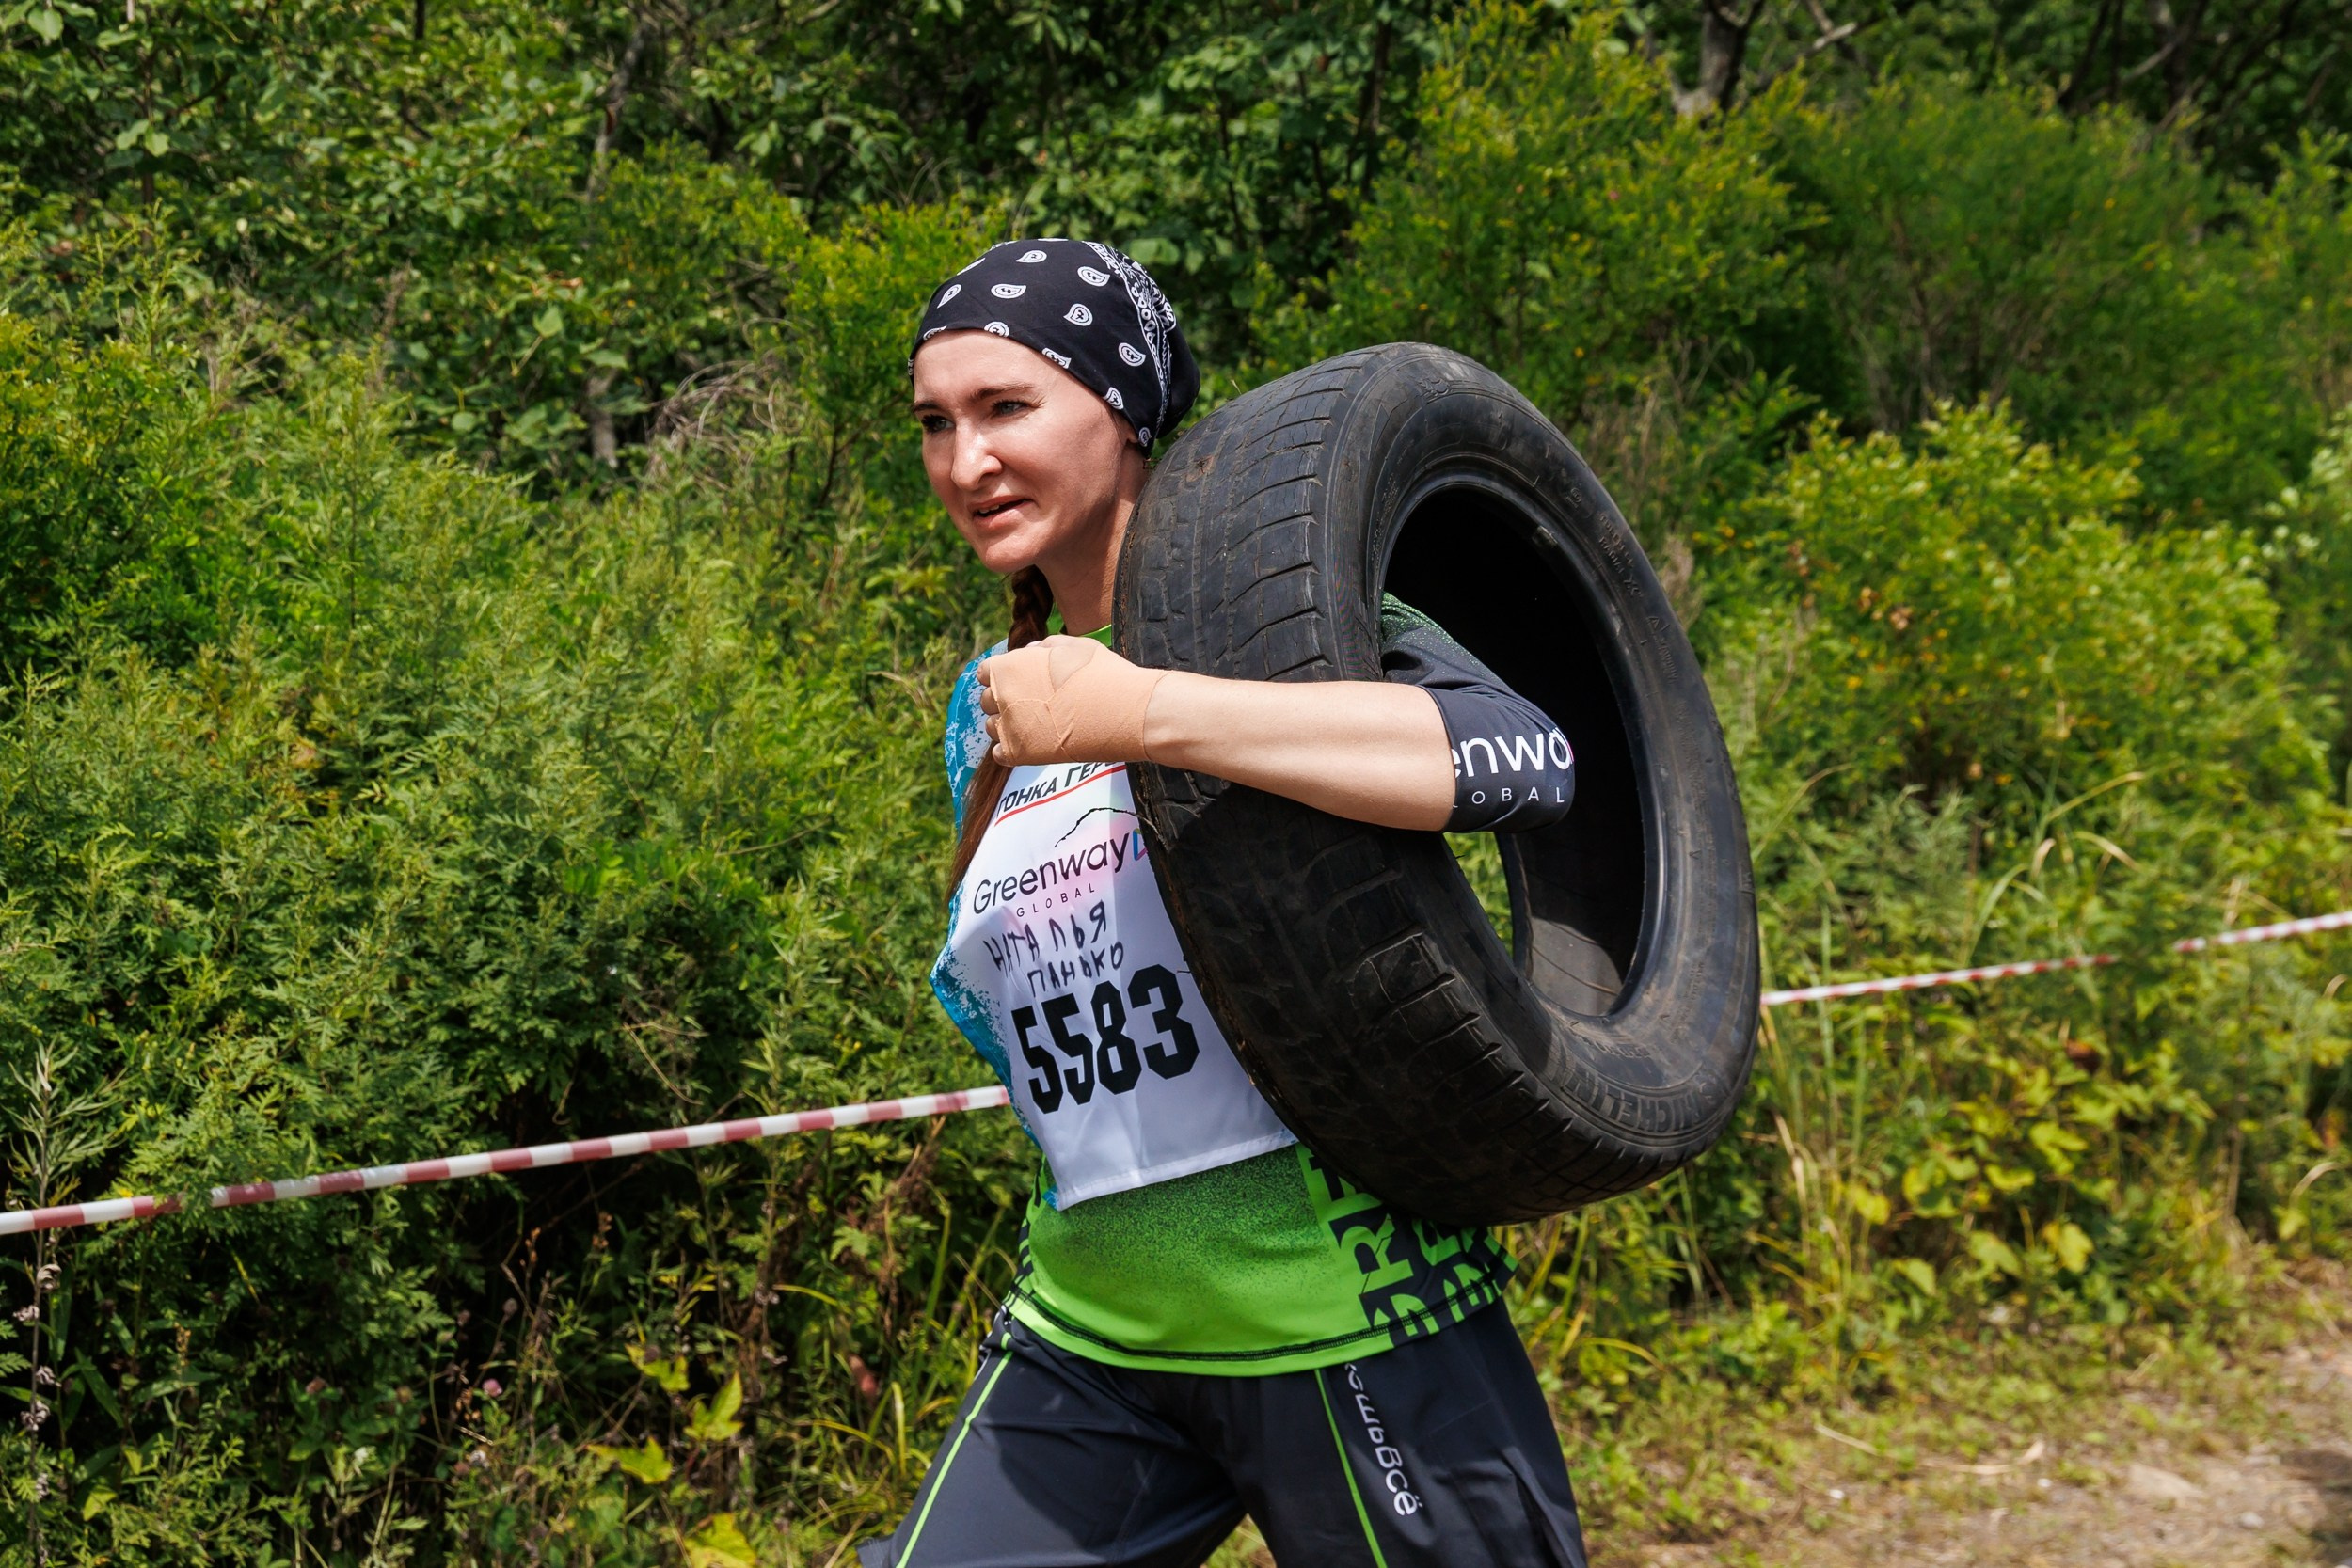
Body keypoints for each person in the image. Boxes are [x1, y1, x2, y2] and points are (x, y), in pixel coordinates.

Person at [860, 238, 1587, 1568]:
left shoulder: (1286, 631)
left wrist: (1142, 712)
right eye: (934, 423)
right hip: (1090, 1338)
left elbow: (1528, 758)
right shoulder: (990, 714)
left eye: (1007, 408)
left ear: (1127, 411)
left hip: (1349, 1321)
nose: (965, 463)